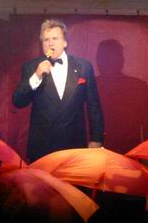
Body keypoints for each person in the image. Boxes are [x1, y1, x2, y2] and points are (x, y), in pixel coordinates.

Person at [12, 19, 104, 162]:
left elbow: (94, 106)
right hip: (42, 147)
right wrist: (36, 76)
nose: (50, 43)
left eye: (55, 38)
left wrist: (96, 139)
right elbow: (18, 101)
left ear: (65, 42)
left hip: (74, 145)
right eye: (46, 40)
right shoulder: (32, 67)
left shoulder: (83, 66)